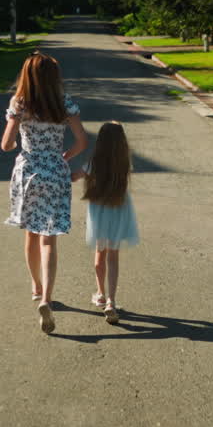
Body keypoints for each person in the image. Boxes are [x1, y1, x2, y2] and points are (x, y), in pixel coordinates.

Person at [1, 52, 88, 334]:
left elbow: (6, 144)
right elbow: (82, 141)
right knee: (49, 239)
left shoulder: (20, 104)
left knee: (31, 233)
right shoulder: (64, 104)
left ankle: (36, 288)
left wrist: (18, 142)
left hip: (28, 171)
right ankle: (48, 298)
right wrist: (63, 156)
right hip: (55, 171)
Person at [71, 121, 139, 325]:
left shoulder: (93, 163)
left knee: (99, 254)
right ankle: (112, 301)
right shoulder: (124, 162)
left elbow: (74, 176)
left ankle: (100, 293)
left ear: (100, 141)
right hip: (119, 209)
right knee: (113, 256)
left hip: (99, 212)